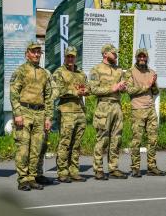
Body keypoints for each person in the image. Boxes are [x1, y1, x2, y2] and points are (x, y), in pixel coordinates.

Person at [10, 41, 53, 191]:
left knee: (36, 147)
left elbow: (48, 96)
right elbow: (14, 93)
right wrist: (17, 114)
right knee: (23, 147)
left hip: (40, 113)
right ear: (27, 53)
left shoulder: (44, 73)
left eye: (38, 52)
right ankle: (23, 179)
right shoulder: (21, 71)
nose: (36, 54)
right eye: (33, 51)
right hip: (24, 112)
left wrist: (48, 117)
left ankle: (32, 177)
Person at [124, 48, 166, 178]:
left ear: (147, 58)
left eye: (144, 57)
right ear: (136, 58)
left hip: (150, 109)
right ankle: (135, 167)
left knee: (153, 140)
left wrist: (153, 85)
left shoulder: (151, 72)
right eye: (140, 57)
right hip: (138, 109)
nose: (142, 59)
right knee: (136, 140)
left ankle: (151, 166)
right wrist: (146, 86)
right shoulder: (130, 72)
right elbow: (129, 90)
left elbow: (155, 92)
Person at [89, 43, 128, 180]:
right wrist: (112, 88)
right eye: (113, 53)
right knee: (102, 139)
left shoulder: (119, 70)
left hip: (117, 105)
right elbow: (93, 90)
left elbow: (123, 86)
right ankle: (98, 169)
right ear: (105, 54)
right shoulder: (96, 69)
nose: (116, 55)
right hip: (104, 106)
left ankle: (113, 168)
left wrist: (123, 87)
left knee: (116, 139)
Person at [53, 46, 89, 183]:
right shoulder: (59, 72)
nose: (70, 59)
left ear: (75, 57)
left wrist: (85, 90)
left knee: (76, 144)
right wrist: (75, 92)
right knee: (65, 143)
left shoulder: (80, 73)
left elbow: (88, 86)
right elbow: (58, 90)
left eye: (72, 56)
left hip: (80, 111)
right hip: (66, 111)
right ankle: (62, 172)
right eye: (68, 56)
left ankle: (74, 171)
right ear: (64, 57)